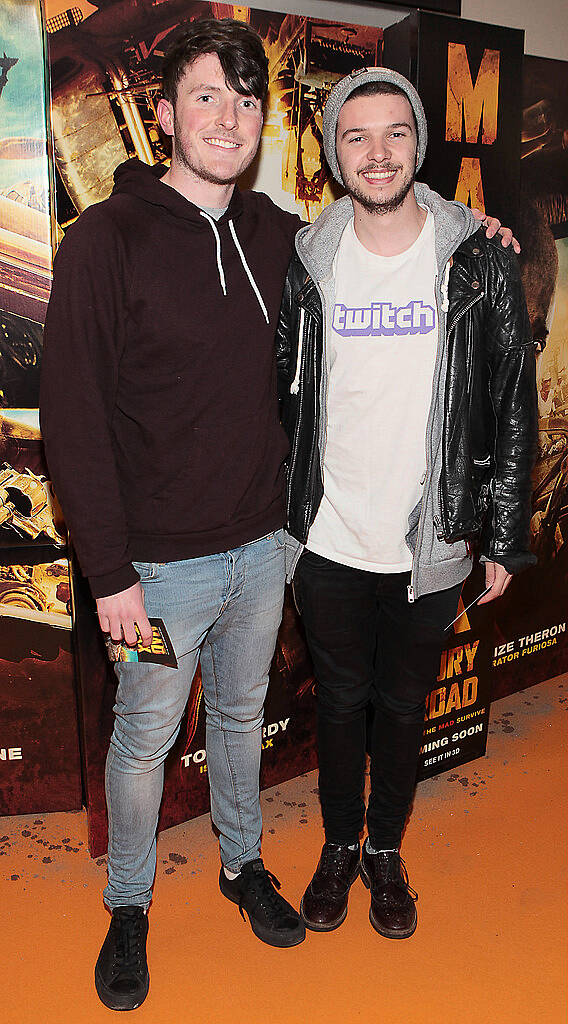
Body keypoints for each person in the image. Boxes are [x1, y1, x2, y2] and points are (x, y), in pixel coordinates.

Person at [40, 16, 517, 1009]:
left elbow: (407, 249)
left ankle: (240, 865)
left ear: (264, 119)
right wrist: (108, 576)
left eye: (246, 100)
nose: (228, 116)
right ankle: (129, 904)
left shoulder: (285, 240)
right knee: (141, 739)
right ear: (165, 113)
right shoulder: (102, 244)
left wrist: (485, 230)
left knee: (245, 716)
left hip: (267, 550)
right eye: (205, 96)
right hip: (151, 578)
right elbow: (73, 418)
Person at [277, 67, 537, 941]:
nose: (377, 152)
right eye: (356, 136)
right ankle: (340, 846)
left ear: (418, 144)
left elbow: (511, 402)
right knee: (340, 703)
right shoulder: (311, 259)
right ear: (333, 154)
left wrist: (502, 534)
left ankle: (385, 849)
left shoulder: (478, 259)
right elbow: (287, 394)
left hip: (432, 542)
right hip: (329, 538)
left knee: (401, 704)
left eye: (394, 133)